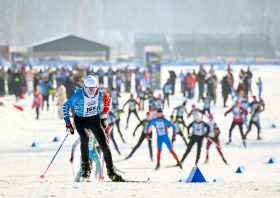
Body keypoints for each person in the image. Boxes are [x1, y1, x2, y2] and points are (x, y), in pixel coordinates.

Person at [62, 75, 124, 181]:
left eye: (93, 88)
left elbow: (108, 101)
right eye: (88, 89)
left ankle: (111, 171)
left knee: (104, 144)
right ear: (84, 87)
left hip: (94, 119)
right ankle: (85, 166)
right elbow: (65, 106)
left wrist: (104, 117)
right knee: (85, 137)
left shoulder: (99, 93)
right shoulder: (78, 95)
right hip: (80, 120)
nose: (91, 91)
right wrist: (68, 124)